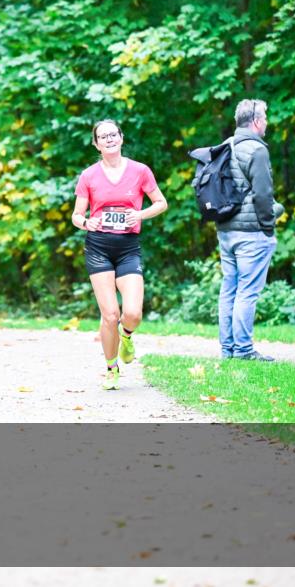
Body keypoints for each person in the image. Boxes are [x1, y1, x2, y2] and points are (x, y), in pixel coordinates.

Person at [71, 119, 167, 390]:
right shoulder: (89, 175)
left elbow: (161, 203)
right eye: (103, 136)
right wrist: (85, 222)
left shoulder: (140, 171)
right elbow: (77, 215)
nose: (109, 139)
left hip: (128, 248)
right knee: (110, 314)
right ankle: (111, 368)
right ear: (96, 144)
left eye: (113, 134)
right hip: (99, 247)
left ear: (121, 138)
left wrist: (139, 214)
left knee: (133, 313)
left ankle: (127, 336)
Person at [216, 99, 284, 361]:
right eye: (264, 117)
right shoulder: (257, 149)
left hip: (226, 230)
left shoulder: (225, 146)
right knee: (247, 291)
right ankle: (244, 350)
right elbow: (263, 195)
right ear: (256, 121)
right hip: (252, 233)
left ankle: (228, 350)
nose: (266, 122)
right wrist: (268, 226)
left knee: (229, 289)